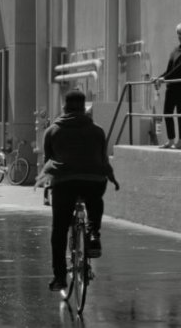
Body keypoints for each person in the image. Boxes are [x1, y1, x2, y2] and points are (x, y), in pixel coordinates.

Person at [41, 90, 119, 291]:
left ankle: (59, 277)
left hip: (64, 182)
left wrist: (46, 187)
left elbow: (48, 161)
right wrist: (112, 178)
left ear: (64, 107)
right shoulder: (97, 131)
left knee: (59, 229)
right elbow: (103, 160)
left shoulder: (52, 131)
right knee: (95, 198)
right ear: (84, 108)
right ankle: (93, 234)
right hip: (93, 180)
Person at [154, 22, 181, 149]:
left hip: (180, 88)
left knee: (180, 114)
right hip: (171, 88)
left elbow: (178, 70)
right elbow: (170, 69)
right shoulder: (175, 51)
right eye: (178, 34)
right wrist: (159, 78)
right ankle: (171, 140)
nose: (180, 36)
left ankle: (180, 141)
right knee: (167, 113)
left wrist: (164, 78)